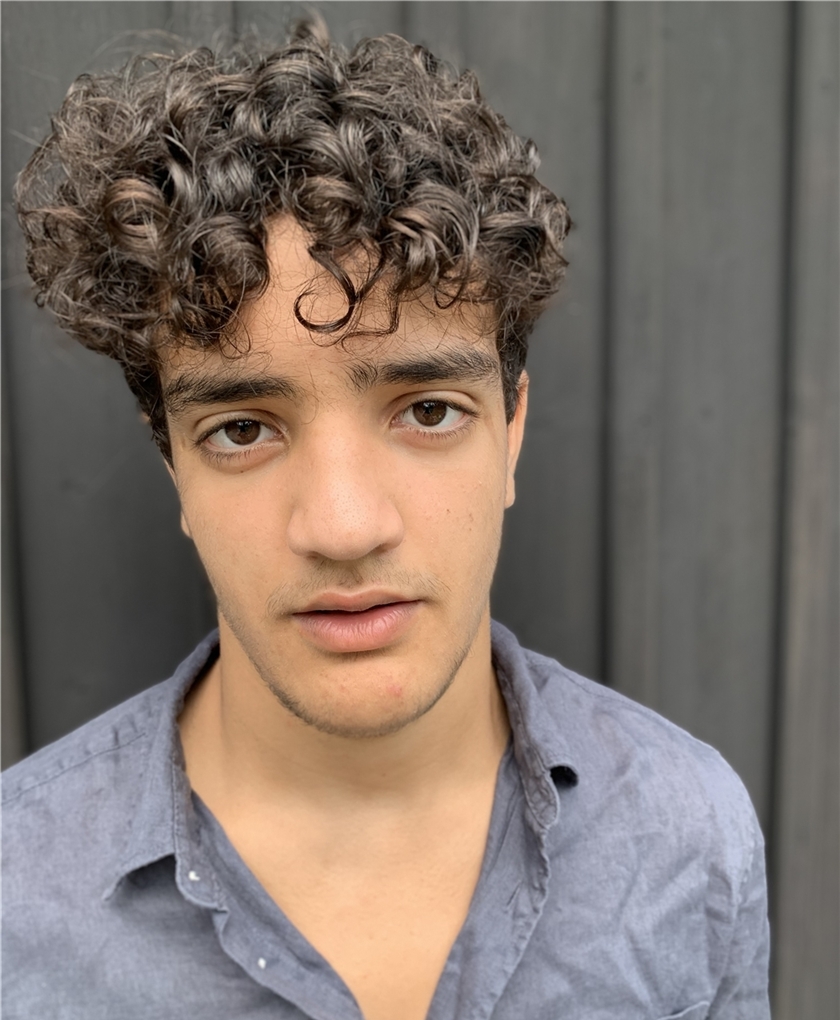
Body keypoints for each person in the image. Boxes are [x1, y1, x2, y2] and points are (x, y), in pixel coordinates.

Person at [2, 19, 770, 1020]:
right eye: (242, 429)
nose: (344, 525)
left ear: (512, 431)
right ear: (172, 464)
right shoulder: (19, 899)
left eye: (429, 412)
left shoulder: (688, 836)